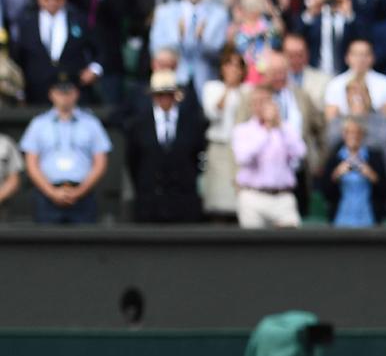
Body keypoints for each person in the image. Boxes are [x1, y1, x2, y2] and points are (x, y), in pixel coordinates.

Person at [19, 74, 110, 224]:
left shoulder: (91, 123)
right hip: (47, 196)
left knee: (85, 245)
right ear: (51, 94)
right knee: (46, 245)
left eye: (68, 92)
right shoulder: (38, 124)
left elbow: (100, 163)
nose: (64, 97)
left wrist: (79, 192)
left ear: (76, 93)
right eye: (60, 92)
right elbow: (31, 164)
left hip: (83, 196)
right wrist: (52, 192)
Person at [125, 69, 206, 223]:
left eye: (168, 94)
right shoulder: (139, 124)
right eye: (159, 94)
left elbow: (197, 156)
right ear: (153, 96)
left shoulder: (191, 123)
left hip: (183, 201)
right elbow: (133, 161)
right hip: (149, 202)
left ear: (175, 95)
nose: (164, 99)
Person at [13, 0, 102, 105]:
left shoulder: (79, 20)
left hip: (74, 91)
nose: (52, 1)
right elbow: (18, 58)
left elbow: (100, 48)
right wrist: (19, 90)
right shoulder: (26, 24)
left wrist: (94, 69)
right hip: (37, 93)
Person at [230, 84, 307, 228]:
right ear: (251, 106)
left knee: (291, 245)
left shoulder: (286, 128)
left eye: (265, 101)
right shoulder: (242, 130)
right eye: (257, 102)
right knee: (253, 247)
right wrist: (266, 131)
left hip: (282, 197)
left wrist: (279, 128)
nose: (261, 106)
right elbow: (243, 158)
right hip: (252, 196)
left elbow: (300, 153)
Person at [148, 0, 228, 100]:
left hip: (205, 81)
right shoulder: (164, 12)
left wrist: (202, 41)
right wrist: (179, 40)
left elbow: (219, 52)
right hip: (174, 80)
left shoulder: (219, 14)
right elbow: (156, 49)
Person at [200, 49, 247, 220]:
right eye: (229, 64)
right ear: (222, 68)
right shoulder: (212, 87)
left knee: (239, 202)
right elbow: (212, 114)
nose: (233, 69)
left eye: (237, 66)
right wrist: (228, 88)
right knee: (217, 201)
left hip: (240, 152)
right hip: (219, 148)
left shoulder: (247, 91)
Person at [320, 116, 386, 227]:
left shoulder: (374, 157)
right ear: (344, 134)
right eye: (349, 132)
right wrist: (336, 174)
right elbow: (325, 192)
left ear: (363, 135)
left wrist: (372, 175)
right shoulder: (334, 158)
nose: (353, 136)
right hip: (341, 220)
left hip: (368, 220)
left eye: (357, 132)